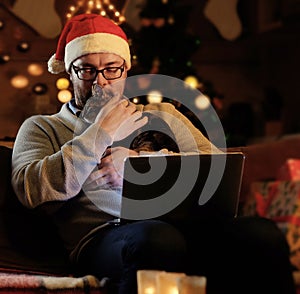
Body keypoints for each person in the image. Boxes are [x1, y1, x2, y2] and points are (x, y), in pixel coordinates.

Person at [11, 14, 296, 294]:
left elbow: (218, 170)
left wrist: (144, 165)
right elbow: (32, 191)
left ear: (126, 70)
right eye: (86, 70)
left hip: (186, 228)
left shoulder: (163, 116)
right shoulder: (43, 127)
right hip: (105, 237)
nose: (100, 82)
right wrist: (99, 135)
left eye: (112, 68)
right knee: (158, 240)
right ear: (69, 72)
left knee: (262, 235)